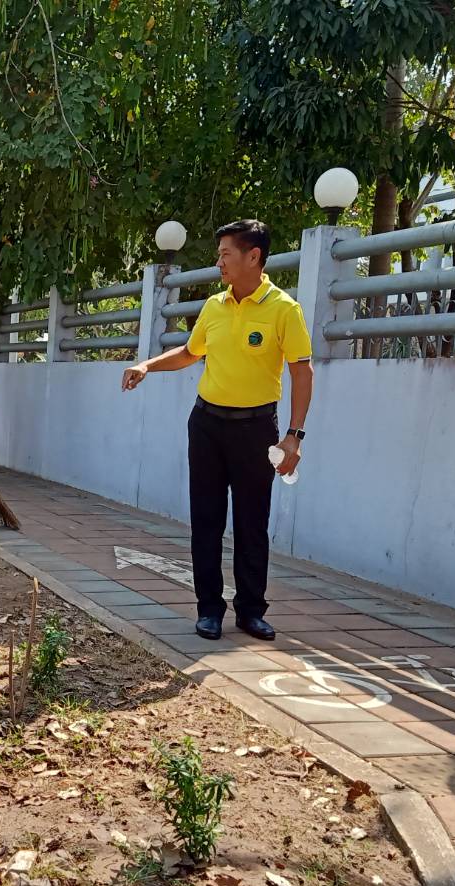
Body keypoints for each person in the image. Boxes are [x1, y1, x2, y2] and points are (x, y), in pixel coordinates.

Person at [121, 219, 314, 642]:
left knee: (251, 523)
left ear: (254, 257)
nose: (220, 262)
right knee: (206, 521)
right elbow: (191, 352)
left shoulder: (284, 309)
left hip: (256, 429)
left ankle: (250, 611)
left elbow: (302, 373)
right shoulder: (214, 306)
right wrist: (147, 366)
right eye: (220, 254)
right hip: (206, 424)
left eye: (226, 253)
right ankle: (209, 609)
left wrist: (294, 436)